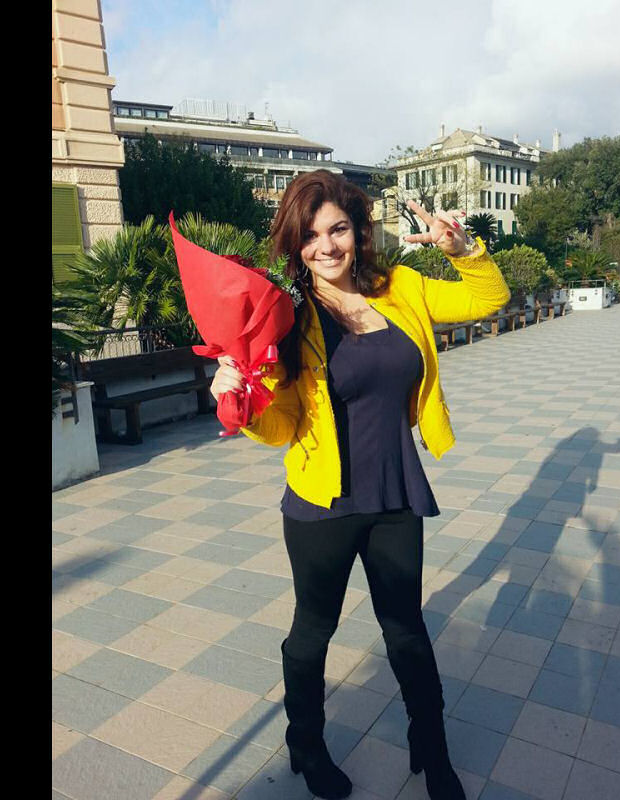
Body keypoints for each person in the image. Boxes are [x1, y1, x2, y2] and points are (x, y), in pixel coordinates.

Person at [210, 170, 510, 799]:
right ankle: (306, 743)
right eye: (311, 235)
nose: (326, 246)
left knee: (406, 630)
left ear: (359, 231)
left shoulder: (400, 287)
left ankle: (432, 748)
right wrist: (243, 401)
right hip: (322, 504)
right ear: (295, 244)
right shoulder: (287, 318)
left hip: (395, 492)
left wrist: (463, 250)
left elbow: (488, 300)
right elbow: (284, 425)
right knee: (312, 633)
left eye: (338, 229)